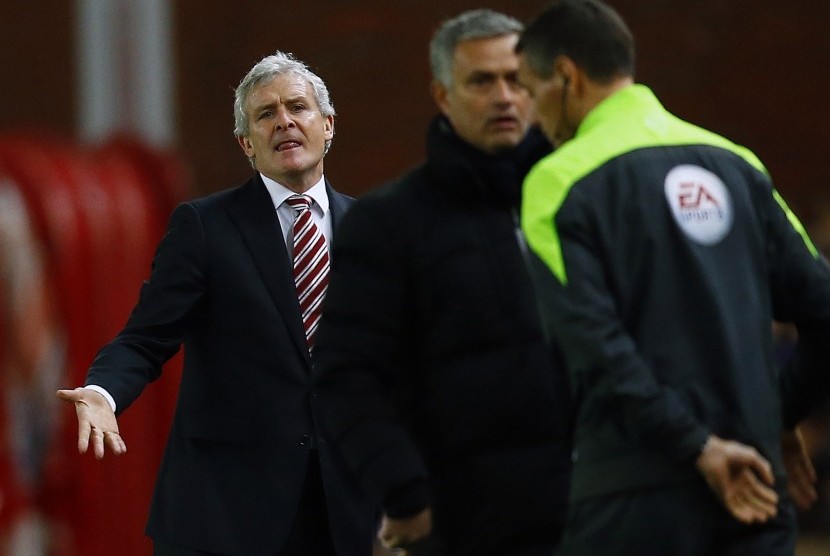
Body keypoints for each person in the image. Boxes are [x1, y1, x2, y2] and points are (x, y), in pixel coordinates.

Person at [514, 1, 830, 554]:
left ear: (566, 76)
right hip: (755, 488)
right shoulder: (737, 163)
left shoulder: (559, 181)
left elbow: (597, 348)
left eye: (531, 90)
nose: (532, 117)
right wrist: (775, 417)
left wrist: (698, 446)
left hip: (634, 495)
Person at [56, 51, 373, 556]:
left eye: (298, 107)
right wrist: (103, 392)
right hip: (226, 514)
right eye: (266, 114)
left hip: (345, 511)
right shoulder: (205, 227)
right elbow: (146, 338)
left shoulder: (375, 230)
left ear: (328, 124)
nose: (285, 121)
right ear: (247, 143)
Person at [313, 9, 572, 556]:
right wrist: (403, 491)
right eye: (482, 81)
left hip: (593, 509)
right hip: (465, 522)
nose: (505, 97)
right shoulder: (391, 222)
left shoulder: (583, 199)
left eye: (517, 80)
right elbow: (346, 375)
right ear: (442, 95)